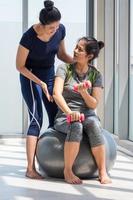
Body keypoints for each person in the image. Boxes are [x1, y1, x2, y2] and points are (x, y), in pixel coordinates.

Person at [16, 0, 73, 179]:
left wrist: (78, 63)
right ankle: (30, 169)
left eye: (57, 27)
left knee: (56, 114)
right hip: (30, 76)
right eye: (51, 28)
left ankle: (55, 160)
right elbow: (19, 66)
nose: (55, 30)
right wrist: (39, 83)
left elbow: (61, 55)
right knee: (36, 119)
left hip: (48, 74)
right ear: (42, 25)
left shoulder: (60, 29)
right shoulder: (28, 37)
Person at [53, 37, 112, 184]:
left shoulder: (96, 75)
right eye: (76, 47)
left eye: (80, 49)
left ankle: (102, 171)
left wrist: (84, 92)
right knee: (76, 125)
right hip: (65, 115)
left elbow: (93, 105)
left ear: (89, 56)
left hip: (88, 115)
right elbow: (56, 94)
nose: (74, 51)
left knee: (93, 124)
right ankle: (67, 170)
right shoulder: (64, 68)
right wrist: (69, 113)